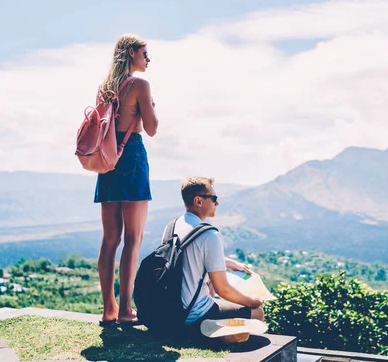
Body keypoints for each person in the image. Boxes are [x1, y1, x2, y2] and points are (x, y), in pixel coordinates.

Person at [94, 33, 159, 326]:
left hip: (107, 159)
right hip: (131, 153)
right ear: (132, 52)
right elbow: (152, 128)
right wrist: (151, 106)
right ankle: (125, 310)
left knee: (110, 239)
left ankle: (108, 309)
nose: (148, 59)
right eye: (145, 54)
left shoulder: (105, 87)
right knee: (134, 239)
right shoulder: (140, 85)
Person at [163, 177, 264, 332]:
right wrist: (252, 302)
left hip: (169, 310)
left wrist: (228, 262)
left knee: (210, 286)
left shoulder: (172, 226)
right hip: (192, 314)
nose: (217, 203)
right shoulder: (209, 234)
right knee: (257, 313)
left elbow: (188, 258)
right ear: (198, 201)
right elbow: (223, 289)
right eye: (214, 198)